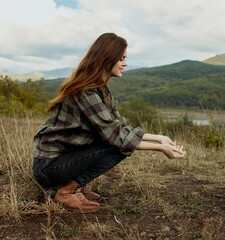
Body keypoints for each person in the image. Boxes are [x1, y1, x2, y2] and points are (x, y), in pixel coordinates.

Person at [32, 33, 186, 212]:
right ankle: (66, 192)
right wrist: (161, 149)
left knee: (118, 141)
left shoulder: (99, 89)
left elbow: (118, 125)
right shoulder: (86, 92)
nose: (125, 63)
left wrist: (159, 138)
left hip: (61, 160)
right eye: (121, 59)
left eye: (125, 59)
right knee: (117, 146)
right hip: (48, 167)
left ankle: (74, 186)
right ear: (107, 59)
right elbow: (118, 138)